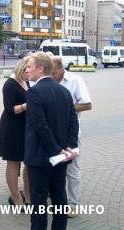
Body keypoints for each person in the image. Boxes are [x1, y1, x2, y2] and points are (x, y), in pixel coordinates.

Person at [25, 52, 79, 230]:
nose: (27, 70)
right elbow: (73, 121)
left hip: (41, 157)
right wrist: (69, 147)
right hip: (61, 156)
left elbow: (41, 125)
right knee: (59, 198)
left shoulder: (34, 92)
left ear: (40, 69)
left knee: (39, 202)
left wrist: (57, 149)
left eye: (30, 66)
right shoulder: (63, 91)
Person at [51, 56, 92, 218]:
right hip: (52, 134)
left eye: (54, 73)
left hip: (70, 134)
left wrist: (64, 108)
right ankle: (57, 199)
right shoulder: (46, 79)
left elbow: (88, 104)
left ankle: (73, 203)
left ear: (61, 69)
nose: (51, 77)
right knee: (53, 167)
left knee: (72, 169)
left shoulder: (75, 80)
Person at [0, 58, 30, 206]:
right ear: (21, 70)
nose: (29, 75)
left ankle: (28, 196)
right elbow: (9, 109)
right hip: (12, 127)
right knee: (13, 162)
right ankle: (15, 198)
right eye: (27, 72)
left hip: (24, 126)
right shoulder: (9, 84)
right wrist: (26, 106)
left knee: (28, 162)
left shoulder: (26, 81)